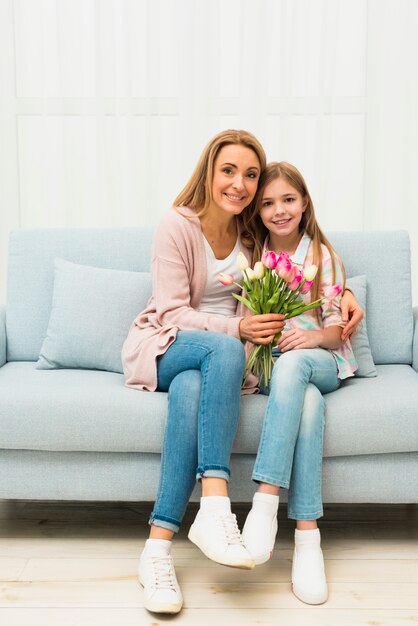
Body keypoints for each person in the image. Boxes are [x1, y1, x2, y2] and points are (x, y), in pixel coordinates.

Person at [122, 131, 363, 615]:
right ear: (209, 172)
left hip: (215, 360)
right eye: (229, 171)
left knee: (196, 387)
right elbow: (170, 312)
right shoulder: (177, 224)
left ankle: (157, 549)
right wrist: (236, 328)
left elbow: (304, 263)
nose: (240, 183)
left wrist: (346, 297)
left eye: (250, 174)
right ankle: (215, 506)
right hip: (171, 342)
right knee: (224, 352)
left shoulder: (250, 234)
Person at [240, 161, 358, 605]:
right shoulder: (254, 255)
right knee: (304, 399)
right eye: (268, 202)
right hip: (277, 370)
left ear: (304, 202)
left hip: (324, 361)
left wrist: (310, 337)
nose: (279, 210)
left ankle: (265, 502)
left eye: (288, 199)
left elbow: (338, 331)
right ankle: (308, 539)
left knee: (298, 366)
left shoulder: (322, 256)